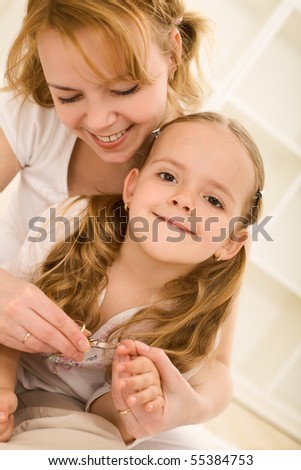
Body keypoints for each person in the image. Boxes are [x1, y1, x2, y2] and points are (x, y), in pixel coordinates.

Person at [0, 112, 265, 447]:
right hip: (9, 362)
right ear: (131, 187)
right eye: (168, 176)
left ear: (229, 243)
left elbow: (109, 418)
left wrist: (135, 405)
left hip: (80, 411)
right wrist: (3, 389)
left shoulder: (194, 310)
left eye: (213, 200)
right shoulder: (71, 225)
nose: (183, 200)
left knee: (96, 445)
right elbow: (8, 320)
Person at [0, 0, 211, 359]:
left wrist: (170, 403)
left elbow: (215, 373)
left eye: (124, 89)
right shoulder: (35, 117)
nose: (98, 121)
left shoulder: (213, 167)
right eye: (68, 96)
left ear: (173, 52)